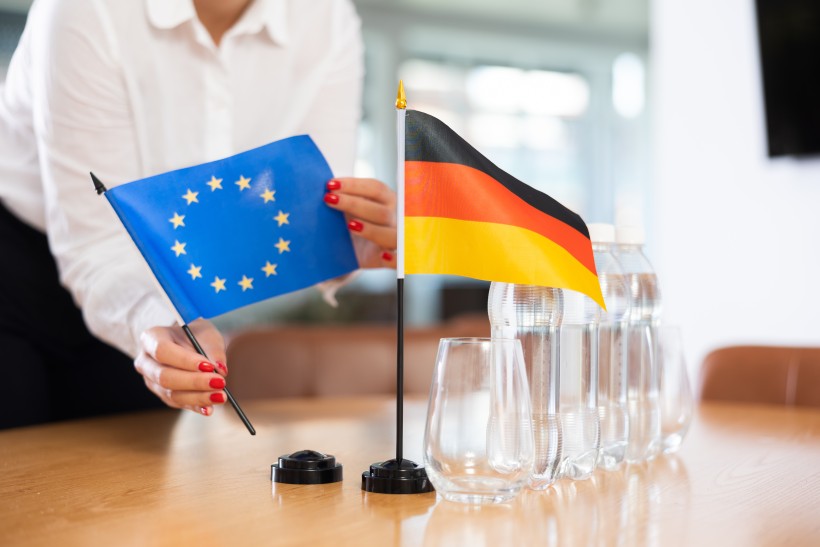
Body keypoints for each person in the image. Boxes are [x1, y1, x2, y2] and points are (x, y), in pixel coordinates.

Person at [0, 0, 396, 429]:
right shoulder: (85, 10)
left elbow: (307, 197)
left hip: (163, 286)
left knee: (127, 488)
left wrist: (338, 239)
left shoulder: (327, 17)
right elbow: (96, 239)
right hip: (18, 274)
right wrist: (159, 322)